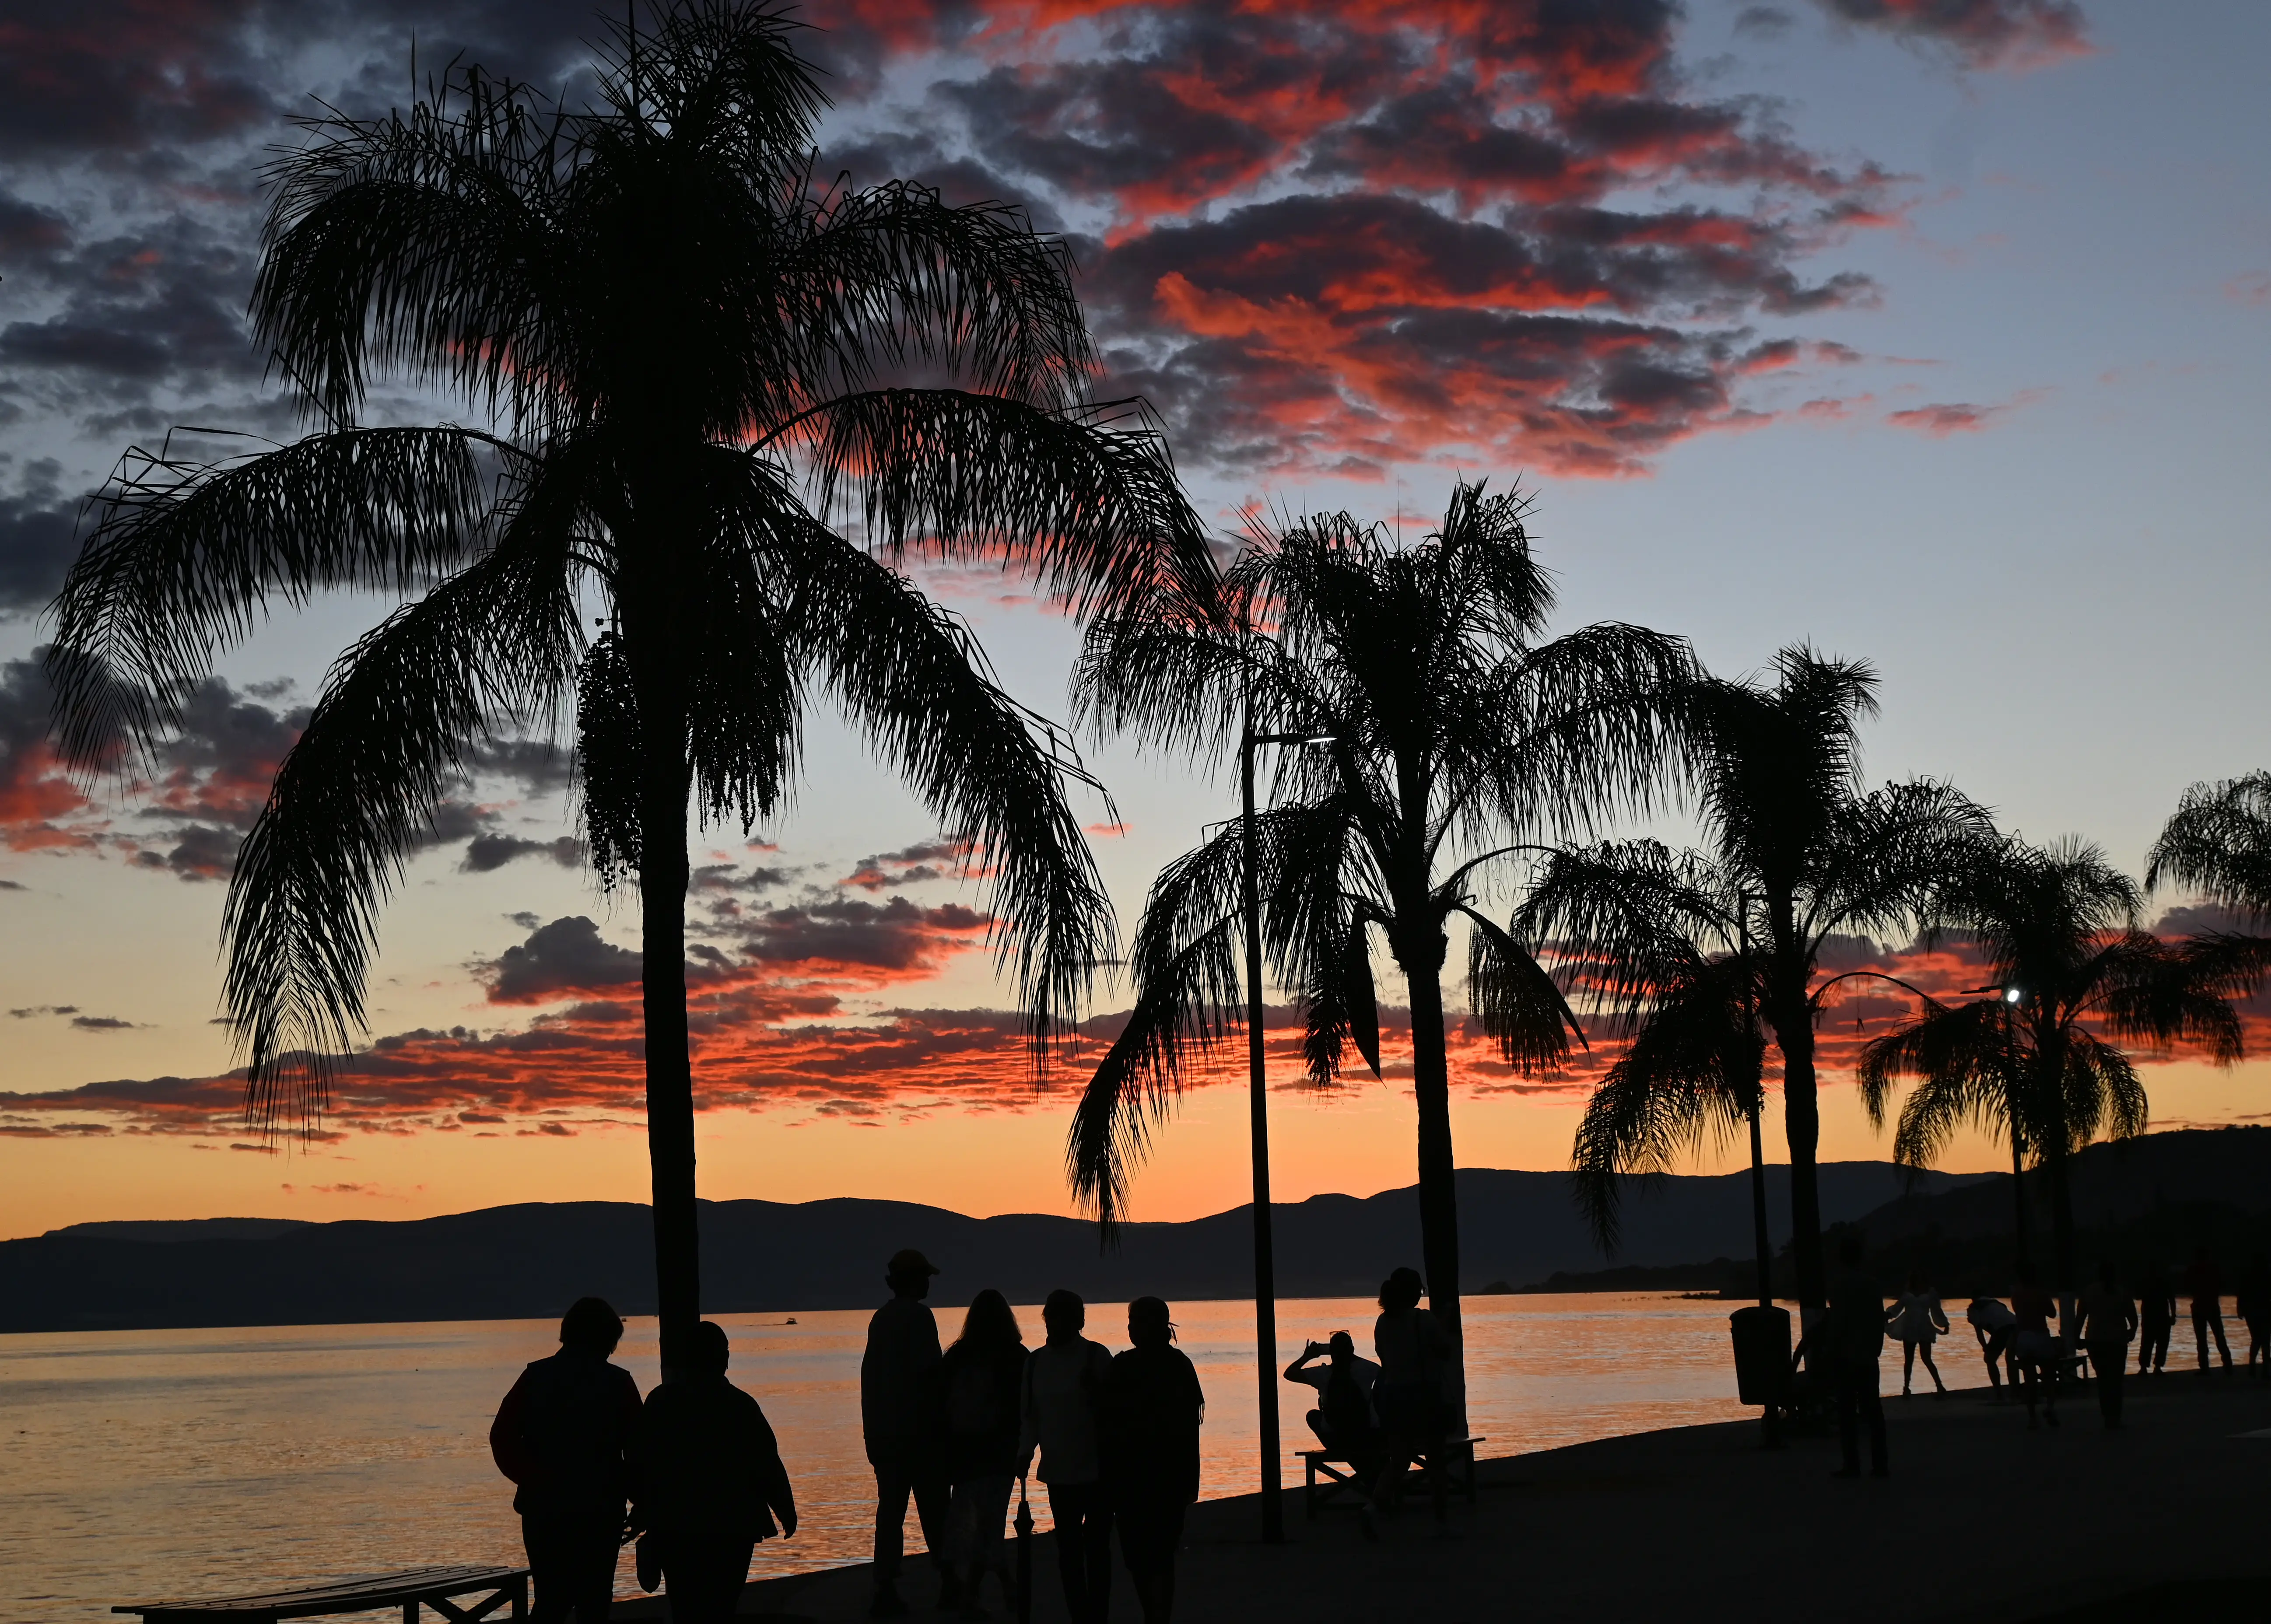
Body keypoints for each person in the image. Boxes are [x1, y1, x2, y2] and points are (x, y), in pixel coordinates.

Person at [490, 1297, 645, 1624]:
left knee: (551, 1597)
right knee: (595, 1599)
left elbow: (502, 1437)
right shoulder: (619, 1382)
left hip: (544, 1509)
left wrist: (531, 1479)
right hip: (601, 1508)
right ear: (606, 1340)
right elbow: (640, 1450)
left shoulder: (535, 1377)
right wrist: (640, 1502)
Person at [631, 1321, 797, 1624]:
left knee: (685, 1606)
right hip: (733, 1526)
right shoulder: (741, 1405)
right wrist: (785, 1509)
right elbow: (766, 1463)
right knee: (722, 1606)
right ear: (723, 1359)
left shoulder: (661, 1402)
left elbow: (642, 1462)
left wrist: (642, 1510)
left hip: (676, 1524)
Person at [1017, 1289, 1115, 1624]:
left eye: (1061, 1317)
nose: (1054, 1324)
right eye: (1051, 1317)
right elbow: (1030, 1417)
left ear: (1077, 1322)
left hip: (1099, 1471)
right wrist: (1024, 1453)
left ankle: (1097, 1615)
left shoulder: (1096, 1357)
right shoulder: (1034, 1363)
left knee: (1098, 1549)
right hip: (1059, 1473)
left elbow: (1117, 1412)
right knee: (1069, 1551)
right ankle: (1080, 1615)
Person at [863, 1249, 951, 1619]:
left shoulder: (881, 1319)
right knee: (936, 1514)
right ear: (915, 1280)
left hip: (886, 1437)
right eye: (926, 1278)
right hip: (920, 1437)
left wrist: (873, 1436)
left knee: (891, 1514)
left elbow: (871, 1379)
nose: (930, 1283)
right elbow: (933, 1375)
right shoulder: (919, 1316)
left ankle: (884, 1589)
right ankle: (951, 1585)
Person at [1103, 1298, 1203, 1624]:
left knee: (1145, 1557)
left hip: (1139, 1480)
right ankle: (1158, 1617)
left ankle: (1155, 1617)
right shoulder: (1179, 1365)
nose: (1131, 1328)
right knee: (1157, 1557)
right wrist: (1192, 1482)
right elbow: (1191, 1432)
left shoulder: (1125, 1367)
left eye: (1134, 1322)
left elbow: (1109, 1425)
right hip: (1163, 1479)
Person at [939, 1290, 1027, 1620]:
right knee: (991, 1523)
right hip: (1002, 1454)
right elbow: (1026, 1409)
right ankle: (1003, 1585)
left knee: (979, 1525)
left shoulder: (957, 1356)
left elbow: (940, 1409)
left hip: (965, 1456)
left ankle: (975, 1592)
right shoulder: (1016, 1356)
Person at [1370, 1267, 1453, 1517]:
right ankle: (1442, 1520)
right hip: (1423, 1397)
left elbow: (1383, 1356)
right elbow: (1444, 1351)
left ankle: (1372, 1507)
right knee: (1436, 1459)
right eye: (1420, 1290)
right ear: (1413, 1292)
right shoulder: (1423, 1319)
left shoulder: (1383, 1322)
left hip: (1394, 1398)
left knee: (1399, 1460)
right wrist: (1444, 1326)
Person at [1822, 1237, 1888, 1477]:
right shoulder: (1873, 1285)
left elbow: (1837, 1323)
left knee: (1847, 1412)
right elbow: (1878, 1319)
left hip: (1846, 1356)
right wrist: (1876, 1348)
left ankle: (1852, 1465)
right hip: (1868, 1355)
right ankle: (1880, 1465)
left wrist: (1831, 1351)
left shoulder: (1839, 1286)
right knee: (1874, 1411)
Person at [2074, 1261, 2138, 1430]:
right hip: (2117, 1340)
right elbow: (2133, 1316)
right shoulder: (2121, 1292)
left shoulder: (2089, 1292)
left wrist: (2076, 1338)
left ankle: (2107, 1415)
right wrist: (2132, 1331)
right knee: (2116, 1380)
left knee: (2103, 1379)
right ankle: (2115, 1416)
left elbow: (2080, 1317)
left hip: (2095, 1341)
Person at [1886, 1271, 1950, 1398]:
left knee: (1927, 1358)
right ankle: (1906, 1388)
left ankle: (1939, 1386)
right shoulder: (1907, 1294)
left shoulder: (1930, 1293)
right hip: (1909, 1326)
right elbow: (1897, 1308)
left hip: (1924, 1327)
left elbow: (1936, 1309)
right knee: (1909, 1360)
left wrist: (1944, 1324)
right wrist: (1887, 1315)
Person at [2010, 1270, 2061, 1429]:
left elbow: (2019, 1314)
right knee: (2049, 1375)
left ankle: (2032, 1418)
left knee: (2029, 1379)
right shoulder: (2041, 1293)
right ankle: (2050, 1407)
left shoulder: (2016, 1295)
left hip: (2024, 1336)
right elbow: (2052, 1314)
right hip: (2040, 1335)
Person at [2184, 1246, 2232, 1372]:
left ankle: (2205, 1367)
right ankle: (2227, 1364)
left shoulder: (2194, 1270)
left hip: (2200, 1307)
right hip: (2211, 1306)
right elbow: (2221, 1284)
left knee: (2202, 1339)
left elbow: (2188, 1286)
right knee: (2218, 1336)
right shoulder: (2213, 1269)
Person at [1966, 1295, 2019, 1400]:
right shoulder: (1997, 1303)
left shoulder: (1974, 1308)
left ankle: (1999, 1393)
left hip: (2003, 1330)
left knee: (1989, 1360)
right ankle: (2015, 1392)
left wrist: (1985, 1347)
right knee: (2011, 1360)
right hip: (2017, 1326)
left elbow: (1979, 1331)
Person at [2135, 1263, 2176, 1376]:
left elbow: (2137, 1296)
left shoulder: (2147, 1282)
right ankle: (2156, 1367)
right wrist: (2173, 1315)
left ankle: (2145, 1367)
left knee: (2148, 1343)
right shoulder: (2163, 1282)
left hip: (2151, 1317)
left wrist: (2173, 1315)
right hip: (2160, 1317)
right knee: (2160, 1343)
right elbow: (2171, 1299)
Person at [2237, 1253, 2271, 1379]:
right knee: (2265, 1341)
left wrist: (2240, 1309)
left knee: (2257, 1339)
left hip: (2252, 1311)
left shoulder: (2248, 1276)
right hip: (2264, 1311)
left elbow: (2241, 1294)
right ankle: (2264, 1369)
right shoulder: (2266, 1276)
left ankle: (2253, 1366)